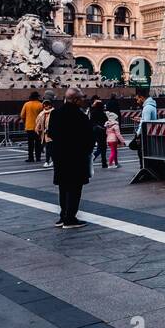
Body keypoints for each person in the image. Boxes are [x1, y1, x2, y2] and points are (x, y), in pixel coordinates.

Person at [49, 87, 94, 228]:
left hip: (60, 157)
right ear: (75, 100)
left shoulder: (56, 114)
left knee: (63, 187)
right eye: (81, 98)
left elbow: (51, 133)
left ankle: (63, 216)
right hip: (76, 157)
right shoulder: (80, 116)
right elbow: (89, 137)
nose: (83, 101)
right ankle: (70, 219)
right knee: (75, 188)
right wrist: (86, 150)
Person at [21, 91, 44, 162]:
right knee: (38, 143)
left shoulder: (26, 104)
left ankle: (30, 158)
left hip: (29, 126)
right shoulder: (41, 105)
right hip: (38, 127)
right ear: (38, 97)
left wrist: (25, 122)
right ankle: (38, 157)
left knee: (30, 143)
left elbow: (22, 115)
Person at [88, 97, 108, 169]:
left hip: (94, 131)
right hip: (102, 131)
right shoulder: (103, 113)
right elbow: (106, 121)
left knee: (93, 147)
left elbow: (91, 122)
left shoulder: (93, 112)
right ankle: (104, 163)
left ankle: (90, 160)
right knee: (103, 148)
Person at [35, 98, 55, 168]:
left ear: (50, 105)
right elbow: (38, 122)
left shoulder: (54, 112)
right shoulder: (42, 113)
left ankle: (47, 161)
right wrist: (38, 129)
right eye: (44, 104)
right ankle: (52, 160)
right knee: (49, 147)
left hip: (52, 134)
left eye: (47, 104)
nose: (45, 106)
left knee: (49, 147)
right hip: (44, 134)